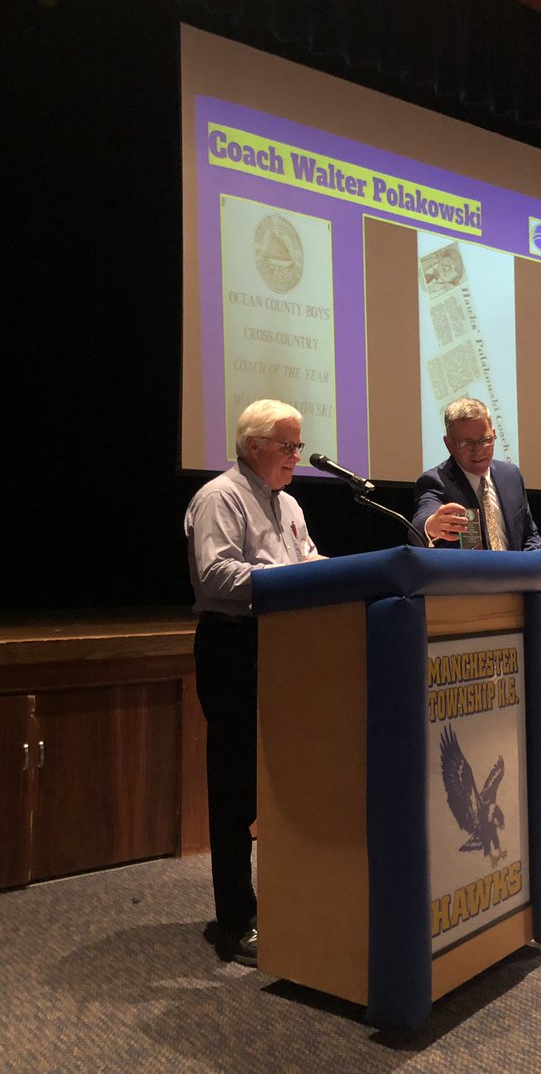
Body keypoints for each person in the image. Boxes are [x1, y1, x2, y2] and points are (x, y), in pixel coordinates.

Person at [184, 399, 324, 966]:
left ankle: (287, 904)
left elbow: (310, 558)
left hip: (286, 648)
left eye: (297, 445)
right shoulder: (220, 497)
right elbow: (215, 573)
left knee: (285, 782)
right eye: (287, 446)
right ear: (253, 447)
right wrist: (296, 575)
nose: (296, 456)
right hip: (233, 646)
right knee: (236, 788)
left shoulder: (289, 503)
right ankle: (236, 920)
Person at [411, 397, 541, 589]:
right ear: (449, 444)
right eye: (467, 443)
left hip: (519, 590)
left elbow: (529, 534)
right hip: (472, 595)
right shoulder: (436, 481)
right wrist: (431, 525)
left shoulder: (511, 476)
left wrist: (537, 568)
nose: (479, 450)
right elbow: (420, 522)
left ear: (494, 434)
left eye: (485, 440)